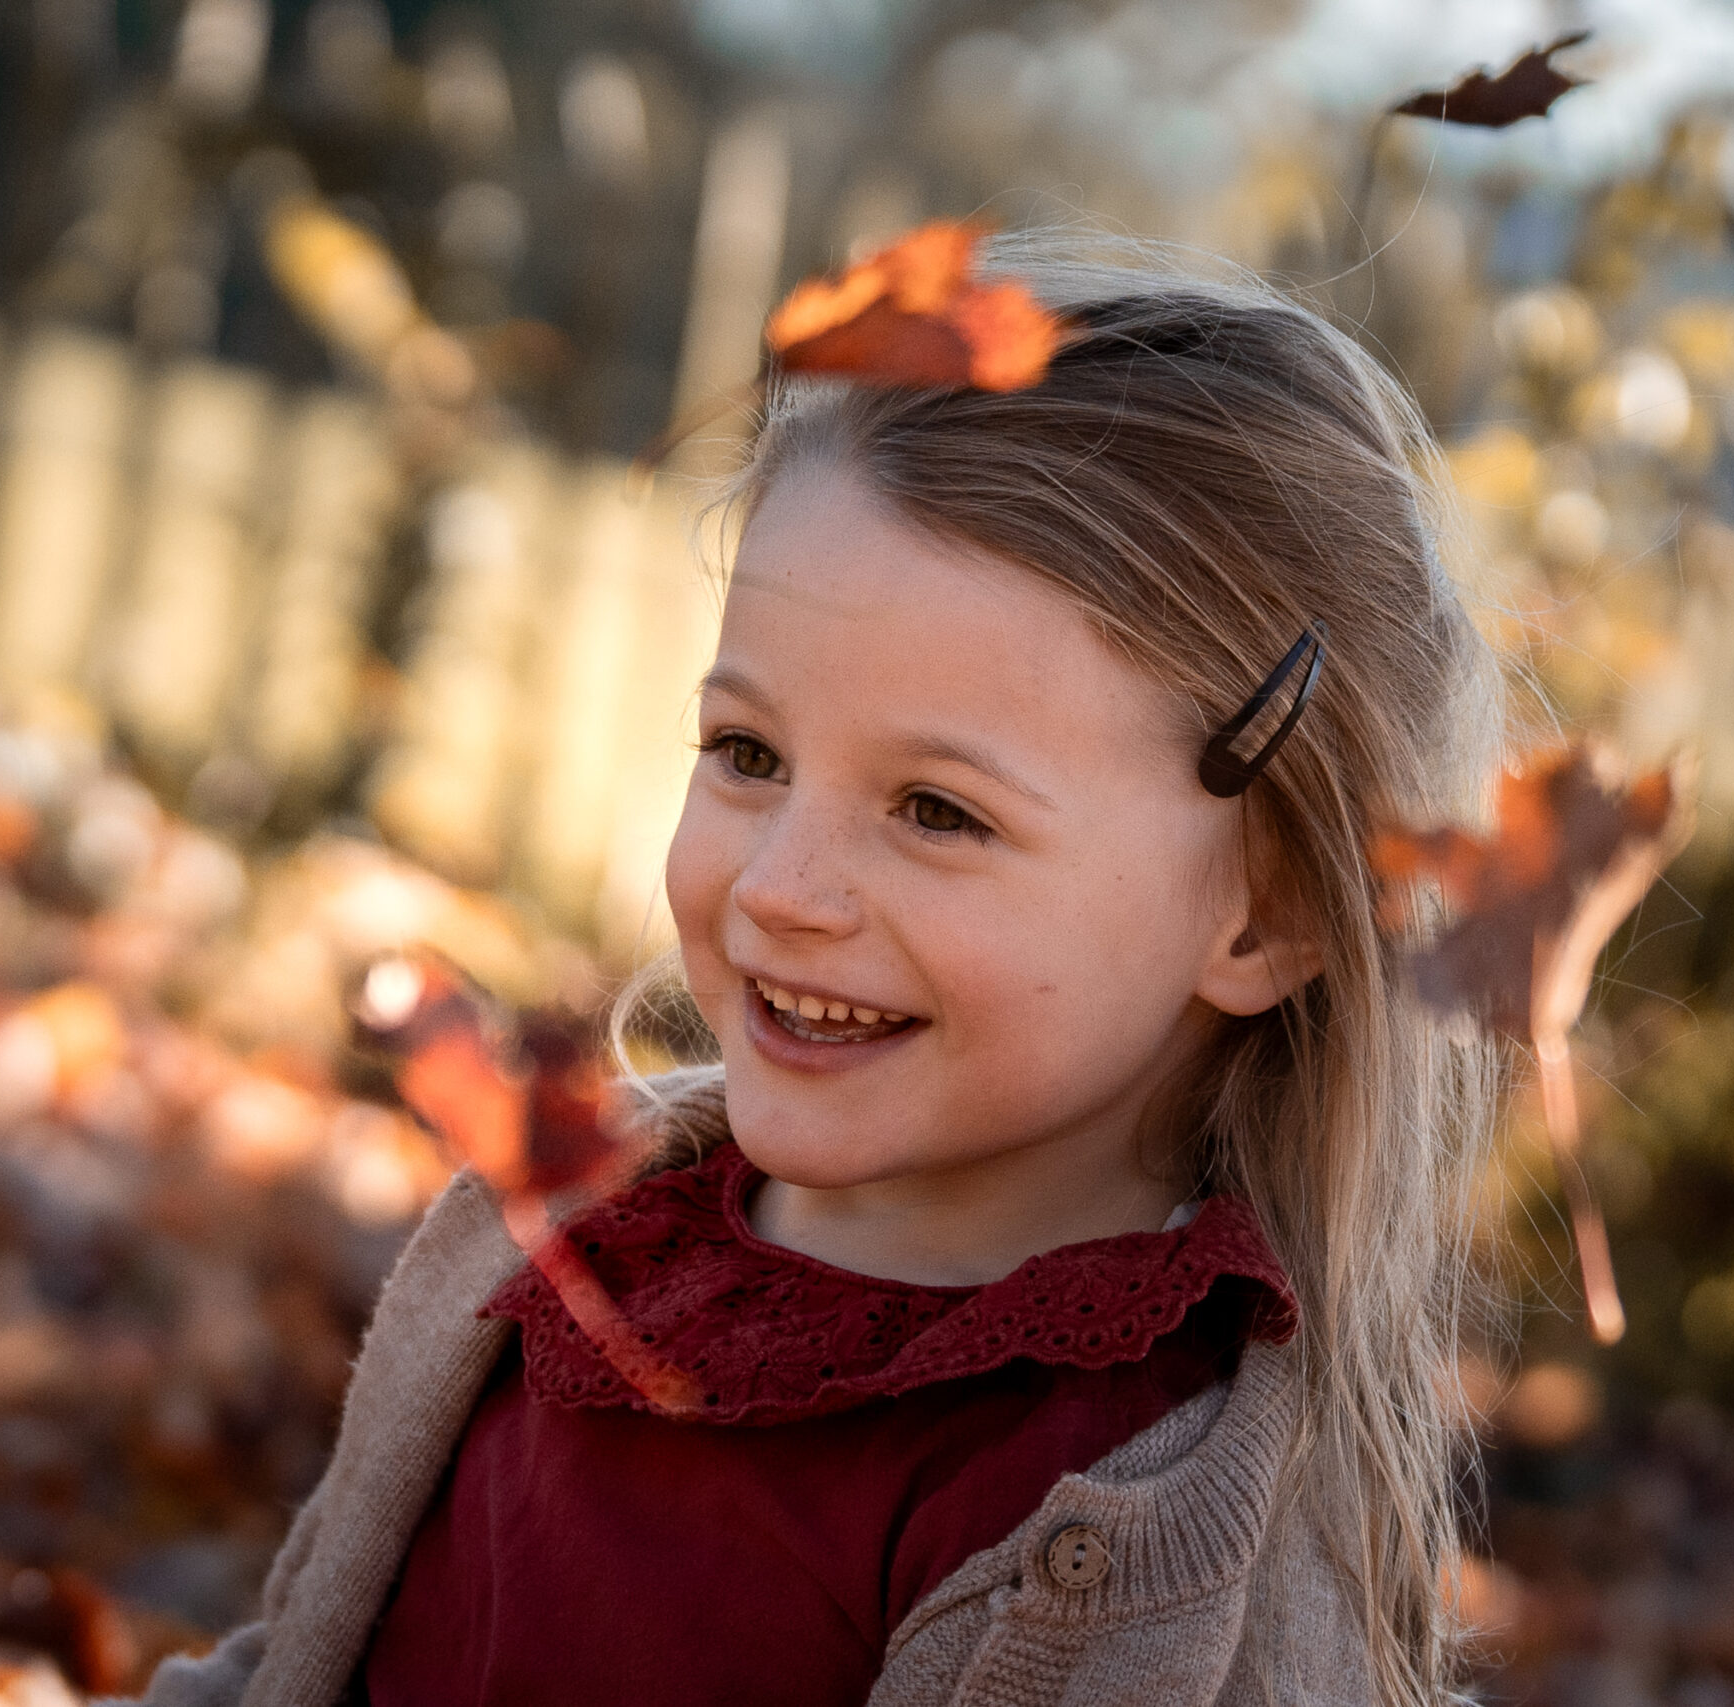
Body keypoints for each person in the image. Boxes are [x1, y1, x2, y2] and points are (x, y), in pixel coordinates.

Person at [131, 236, 1511, 1706]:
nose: (782, 888)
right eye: (748, 755)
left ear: (1268, 920)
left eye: (938, 812)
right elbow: (296, 1670)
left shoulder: (1128, 1515)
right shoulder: (563, 1243)